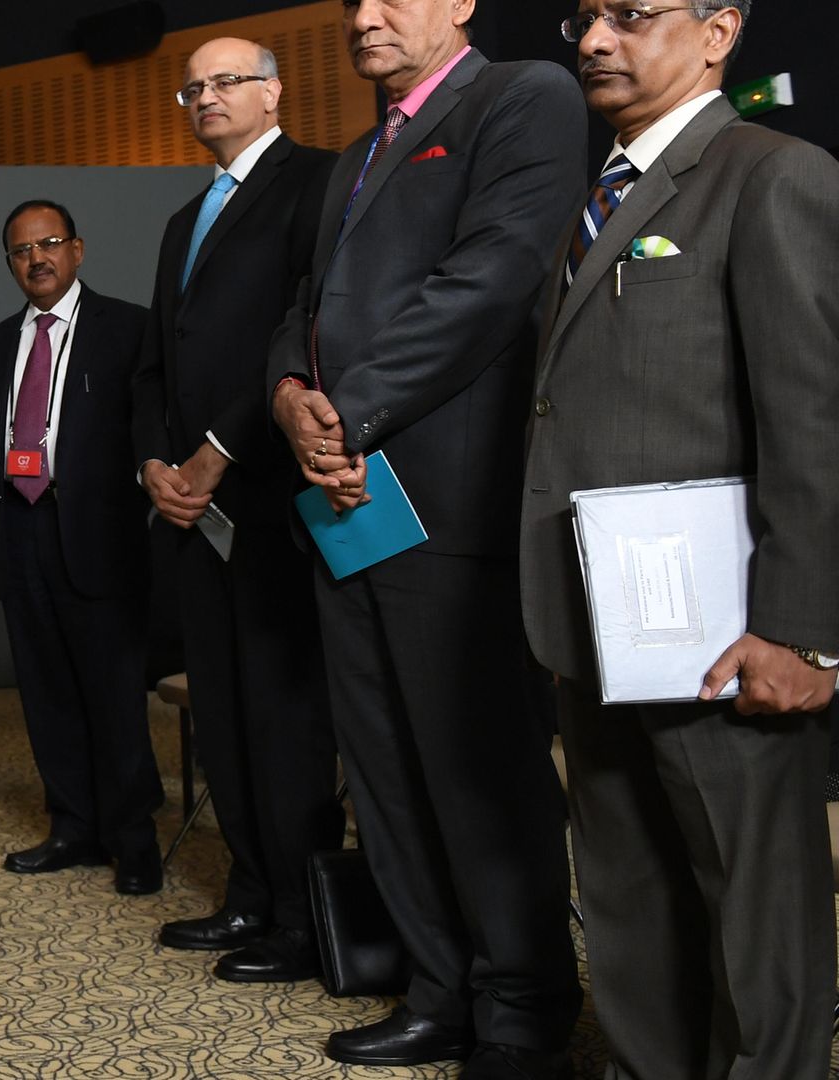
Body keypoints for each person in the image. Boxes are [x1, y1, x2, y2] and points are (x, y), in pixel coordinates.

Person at [263, 0, 587, 1075]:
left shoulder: (522, 98)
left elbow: (486, 285)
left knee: (474, 766)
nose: (367, 15)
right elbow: (302, 306)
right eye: (355, 0)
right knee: (388, 766)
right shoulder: (357, 152)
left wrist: (347, 414)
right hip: (344, 504)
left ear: (461, 5)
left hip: (451, 499)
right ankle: (439, 990)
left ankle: (522, 1012)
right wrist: (291, 398)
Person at [522, 2, 839, 1076]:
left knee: (756, 919)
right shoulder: (589, 197)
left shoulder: (772, 174)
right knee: (626, 893)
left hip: (729, 636)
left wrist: (804, 634)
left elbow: (814, 419)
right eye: (587, 17)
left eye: (632, 14)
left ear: (719, 33)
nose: (596, 39)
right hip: (598, 627)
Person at [134, 37, 341, 982]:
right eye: (194, 87)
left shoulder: (321, 185)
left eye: (226, 82)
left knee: (285, 716)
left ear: (273, 91)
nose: (206, 97)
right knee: (221, 714)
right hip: (191, 514)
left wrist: (216, 451)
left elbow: (301, 331)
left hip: (272, 498)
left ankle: (304, 919)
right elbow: (156, 361)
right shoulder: (183, 218)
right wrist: (154, 463)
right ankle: (250, 896)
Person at [0, 200, 161, 895]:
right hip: (20, 532)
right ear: (10, 264)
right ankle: (73, 826)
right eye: (22, 250)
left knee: (113, 693)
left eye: (49, 244)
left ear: (77, 250)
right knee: (46, 690)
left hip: (99, 536)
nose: (37, 259)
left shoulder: (131, 330)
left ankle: (132, 837)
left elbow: (146, 434)